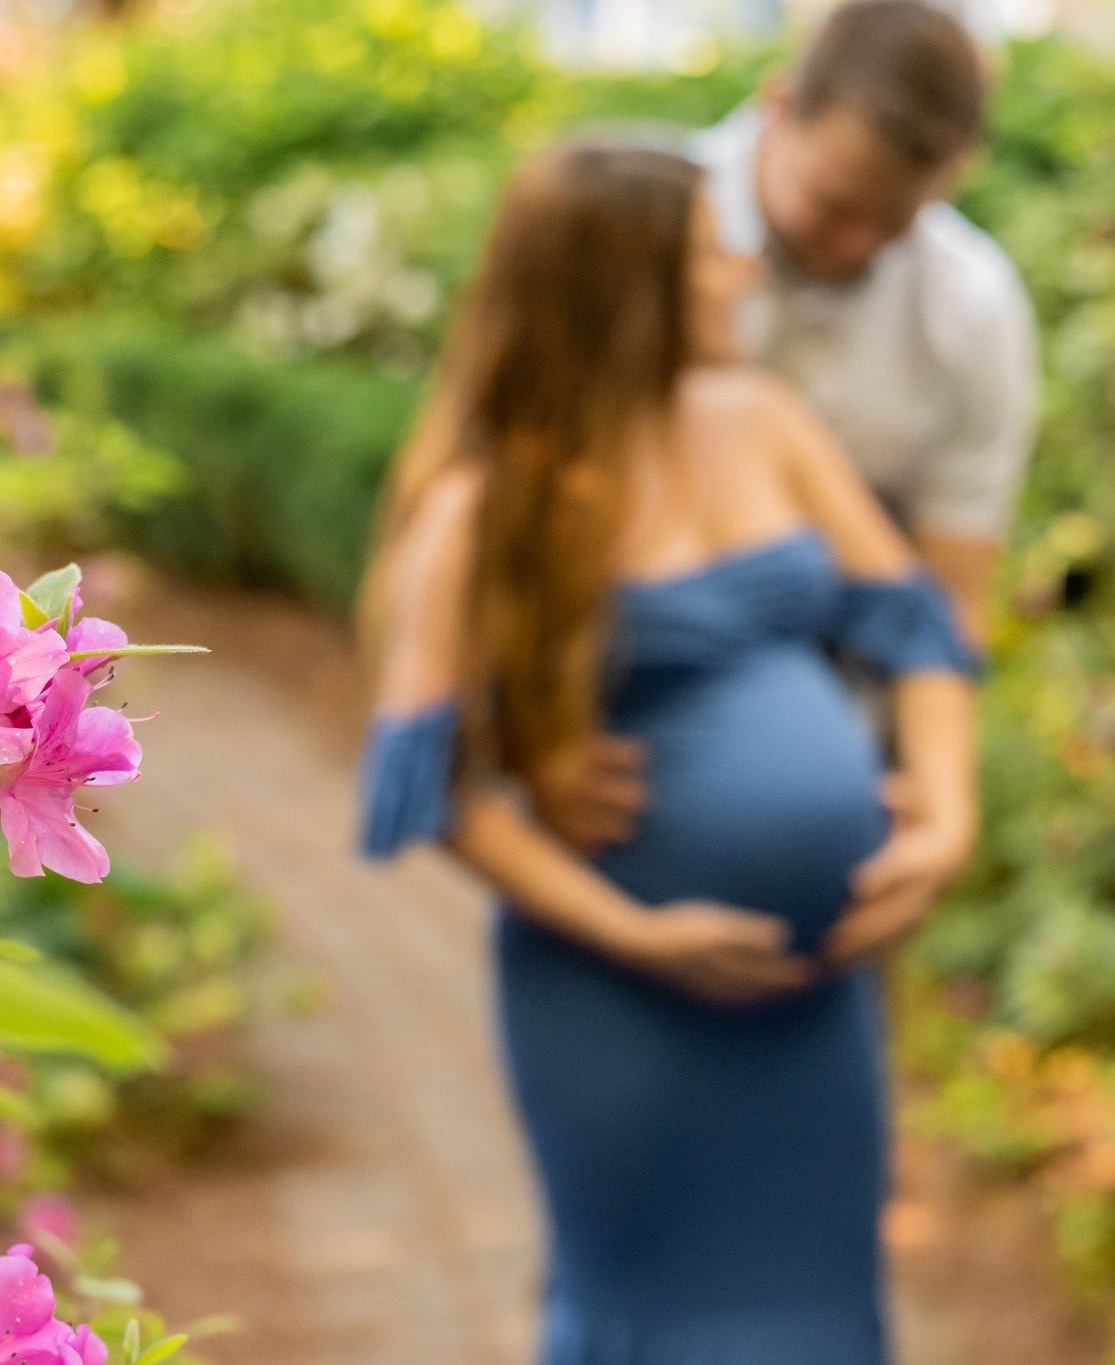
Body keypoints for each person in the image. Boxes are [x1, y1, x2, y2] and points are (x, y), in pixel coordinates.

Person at [355, 140, 978, 1362]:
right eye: (709, 253)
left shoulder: (765, 421)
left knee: (823, 1314)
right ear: (625, 289)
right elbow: (432, 783)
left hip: (814, 995)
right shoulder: (485, 504)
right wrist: (636, 934)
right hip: (621, 994)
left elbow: (915, 627)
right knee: (659, 1321)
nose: (745, 272)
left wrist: (945, 818)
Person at [540, 1, 1038, 954]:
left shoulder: (970, 311)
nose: (852, 246)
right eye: (833, 206)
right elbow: (517, 503)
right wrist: (535, 733)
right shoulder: (642, 228)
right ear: (778, 108)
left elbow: (942, 600)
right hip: (607, 783)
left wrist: (942, 808)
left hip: (844, 818)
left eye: (891, 222)